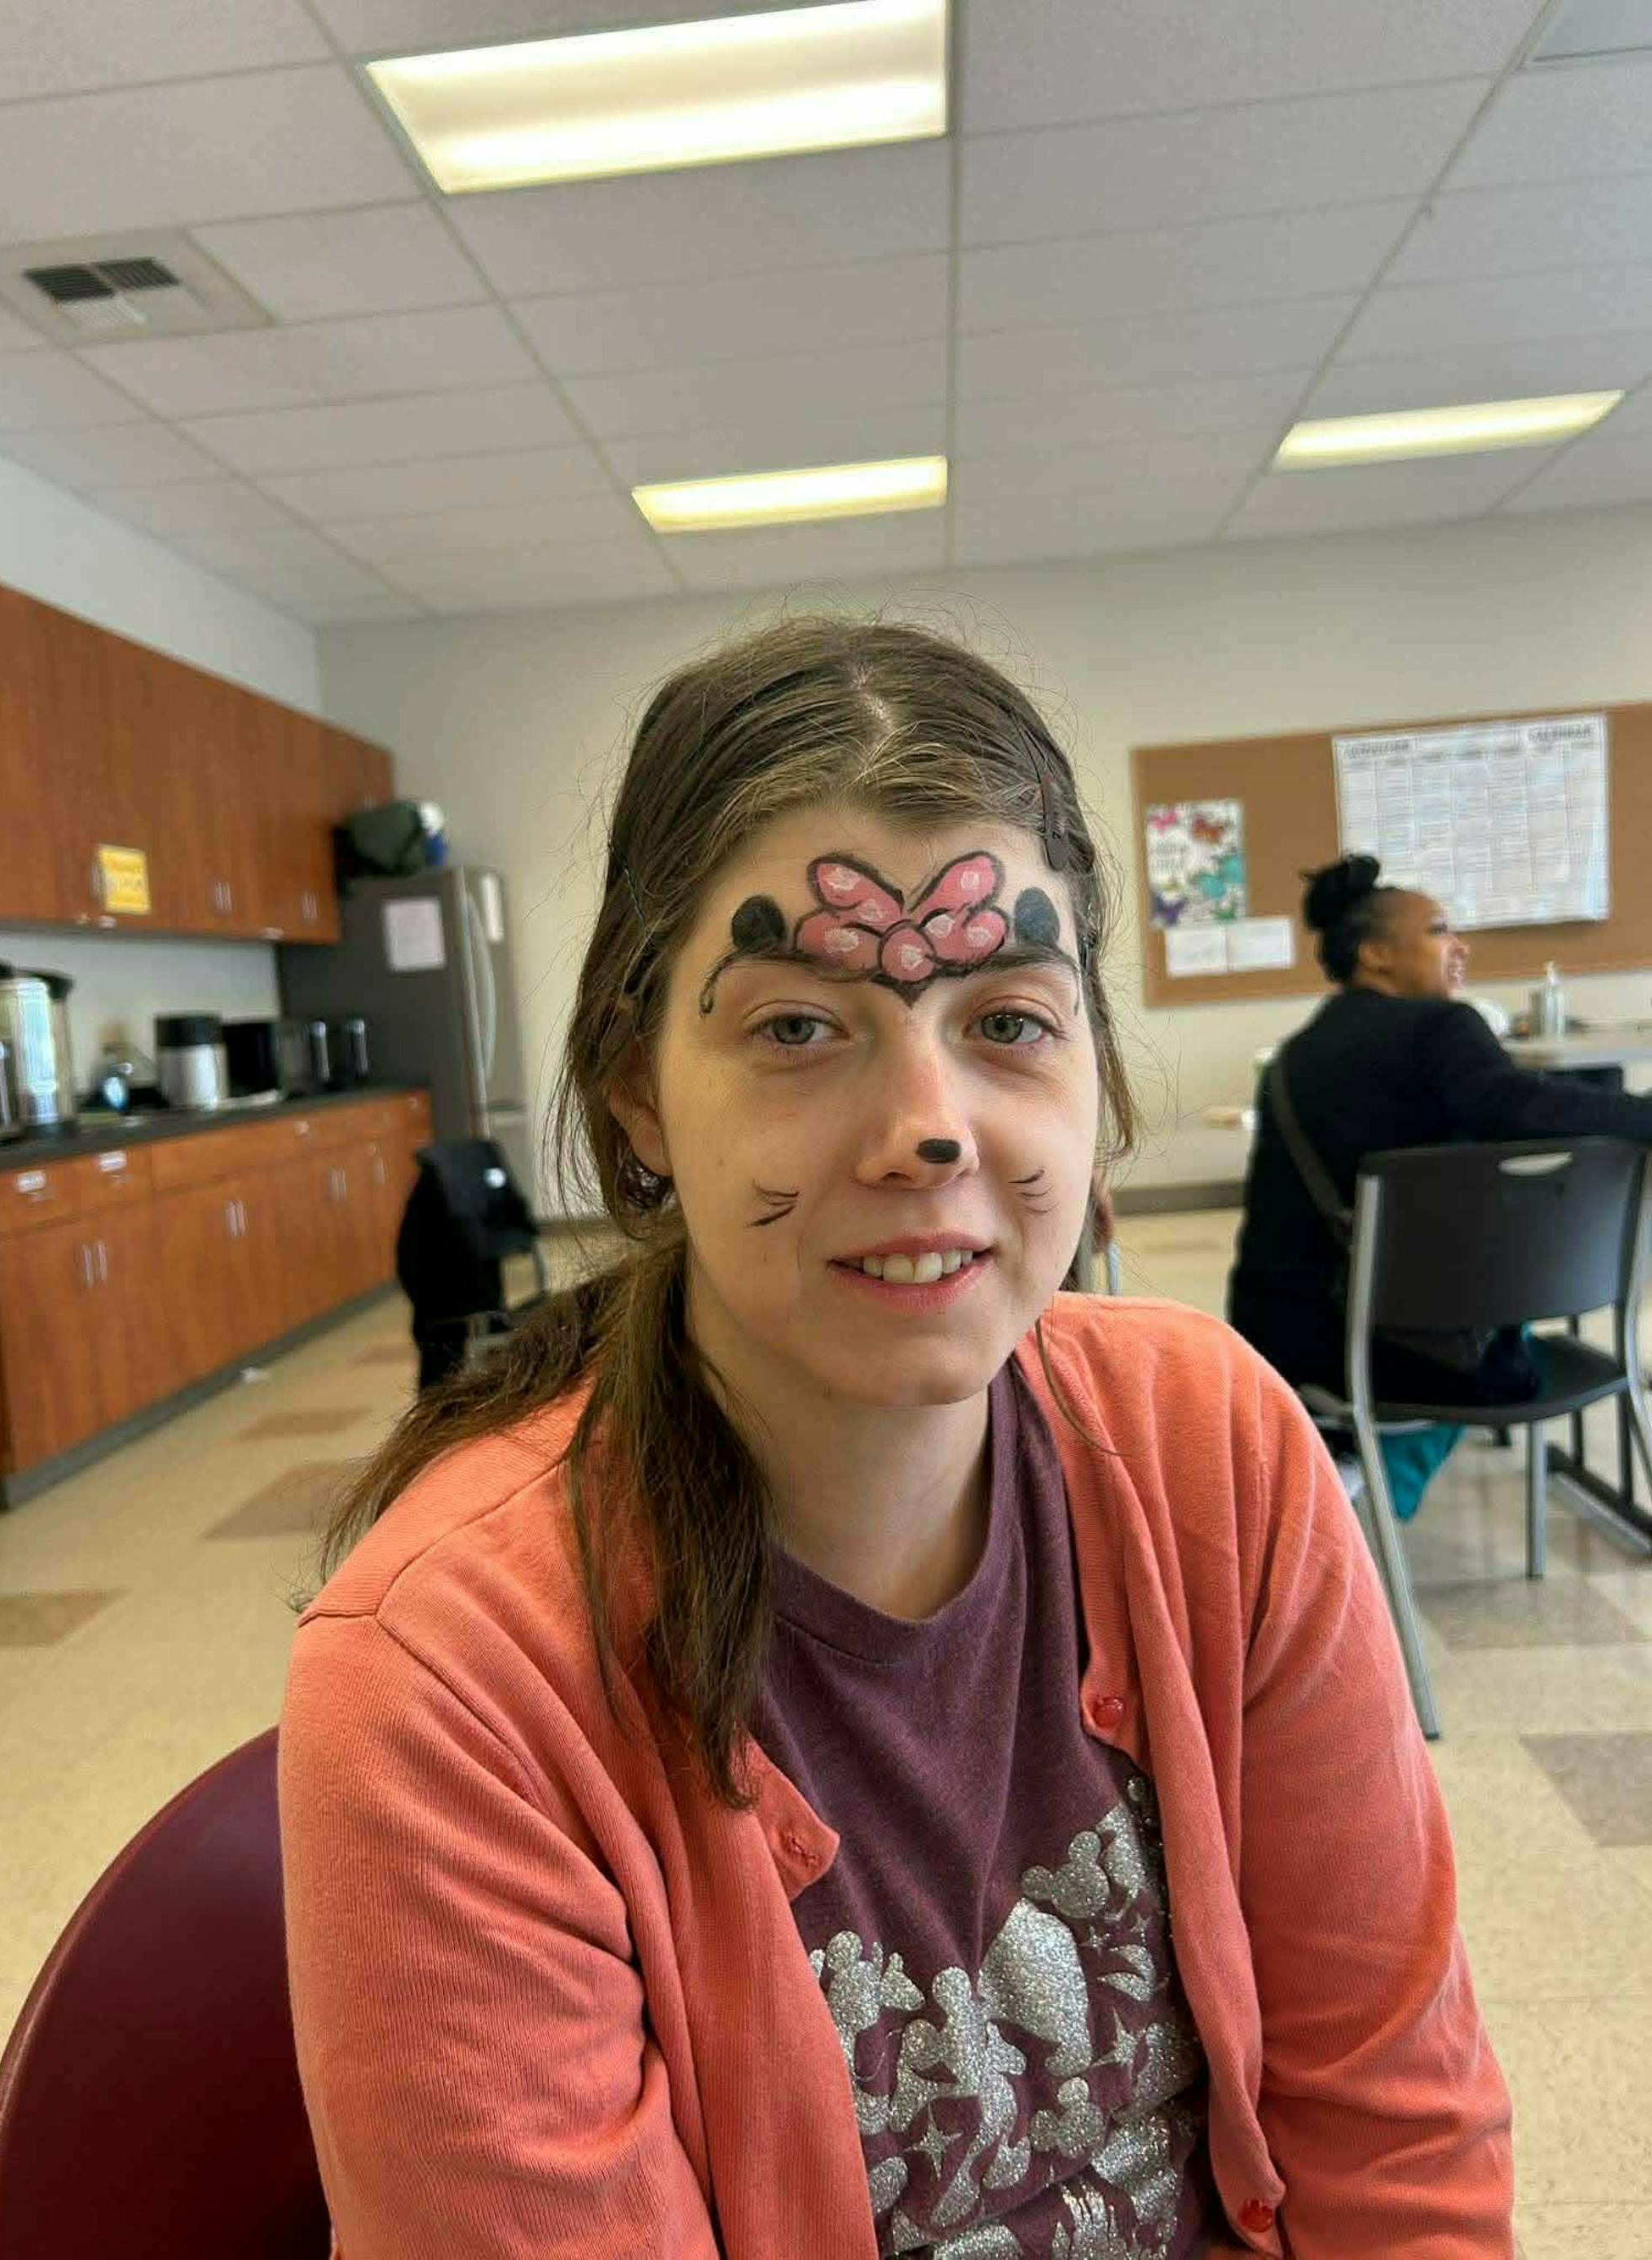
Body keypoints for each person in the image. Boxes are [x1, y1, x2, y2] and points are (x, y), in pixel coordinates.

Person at [279, 625, 1512, 2260]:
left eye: (1009, 1020)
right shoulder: (452, 1676)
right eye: (797, 1028)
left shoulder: (1215, 1446)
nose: (929, 1127)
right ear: (638, 1095)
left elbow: (1394, 2118)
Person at [1228, 853, 1652, 1519]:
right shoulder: (1441, 1026)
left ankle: (1351, 1461)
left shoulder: (1293, 1056)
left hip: (1281, 1341)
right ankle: (1374, 1473)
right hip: (1401, 1351)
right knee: (1505, 1308)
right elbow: (1518, 1106)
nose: (1461, 946)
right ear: (1376, 954)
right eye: (1439, 929)